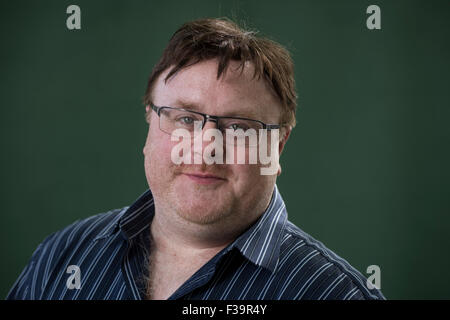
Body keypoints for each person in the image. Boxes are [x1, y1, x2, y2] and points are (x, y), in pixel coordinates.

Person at [6, 18, 385, 300]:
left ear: (278, 148)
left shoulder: (334, 293)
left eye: (238, 127)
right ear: (150, 125)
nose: (206, 148)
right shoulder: (63, 256)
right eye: (185, 118)